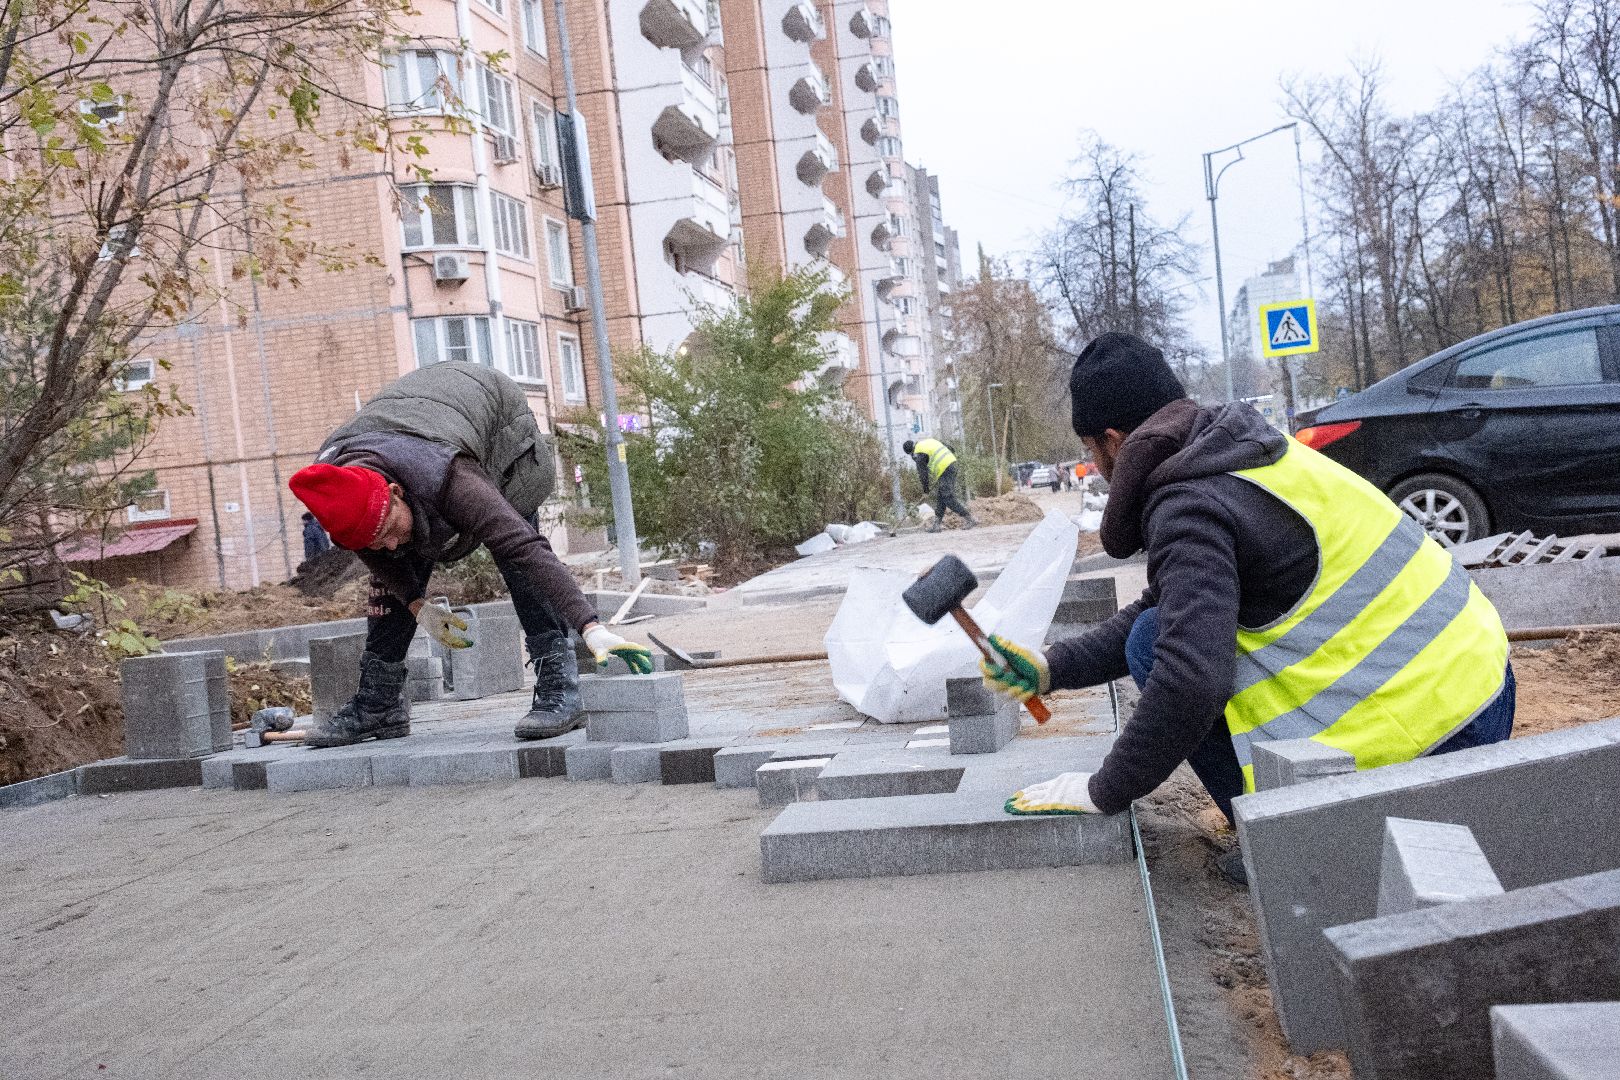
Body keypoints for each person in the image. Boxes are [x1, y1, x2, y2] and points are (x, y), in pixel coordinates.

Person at [982, 332, 1513, 880]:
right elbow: (1166, 605)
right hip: (1481, 686)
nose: (1095, 467)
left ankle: (1284, 846)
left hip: (1431, 738)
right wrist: (1054, 668)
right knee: (1153, 632)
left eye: (1092, 453)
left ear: (1113, 442)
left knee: (1162, 650)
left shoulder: (1189, 502)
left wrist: (1104, 789)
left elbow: (1192, 682)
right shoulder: (1245, 452)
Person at [288, 364, 652, 749]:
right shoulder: (340, 494)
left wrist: (591, 628)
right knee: (397, 561)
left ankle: (559, 684)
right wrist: (416, 605)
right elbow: (379, 552)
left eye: (391, 529)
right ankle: (380, 704)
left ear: (395, 491)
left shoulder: (449, 478)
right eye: (376, 541)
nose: (390, 544)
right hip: (423, 422)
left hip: (500, 431)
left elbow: (527, 548)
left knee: (514, 551)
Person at [903, 437, 978, 532]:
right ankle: (936, 525)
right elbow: (950, 448)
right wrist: (947, 461)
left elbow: (923, 474)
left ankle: (970, 519)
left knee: (947, 498)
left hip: (945, 469)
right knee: (941, 497)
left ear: (910, 452)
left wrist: (926, 491)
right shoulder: (927, 442)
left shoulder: (918, 454)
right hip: (951, 465)